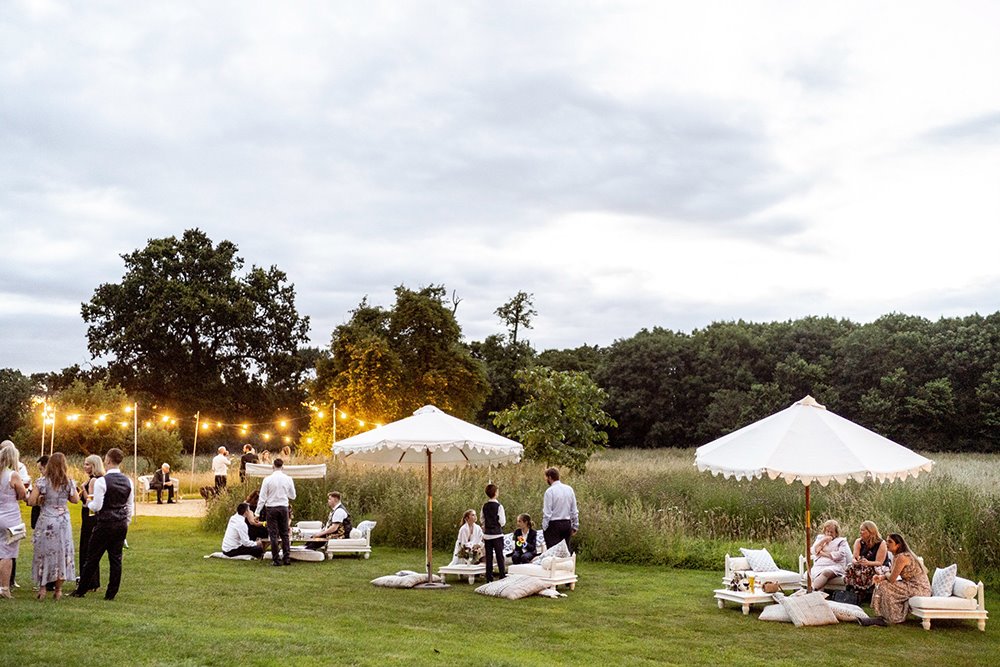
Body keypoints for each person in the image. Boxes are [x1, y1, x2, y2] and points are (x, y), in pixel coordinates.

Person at [71, 448, 134, 600]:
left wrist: (88, 503)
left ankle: (81, 590)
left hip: (105, 523)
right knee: (116, 559)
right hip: (120, 523)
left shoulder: (102, 481)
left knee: (92, 557)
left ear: (107, 460)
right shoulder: (128, 481)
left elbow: (97, 506)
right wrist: (126, 521)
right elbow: (130, 505)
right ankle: (111, 593)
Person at [28, 452, 79, 600]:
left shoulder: (42, 482)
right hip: (63, 521)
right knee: (62, 553)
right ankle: (58, 590)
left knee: (44, 553)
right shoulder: (68, 482)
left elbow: (31, 501)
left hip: (47, 521)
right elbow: (75, 500)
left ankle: (42, 589)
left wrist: (41, 500)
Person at [869, 533, 932, 625]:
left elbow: (892, 579)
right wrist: (881, 577)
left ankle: (894, 617)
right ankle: (885, 614)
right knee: (883, 584)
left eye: (890, 542)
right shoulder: (897, 556)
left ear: (898, 545)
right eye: (886, 541)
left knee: (885, 585)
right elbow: (892, 573)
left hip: (919, 588)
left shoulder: (902, 557)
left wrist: (885, 574)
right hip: (909, 585)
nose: (887, 543)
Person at [0, 440, 28, 599]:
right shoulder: (12, 474)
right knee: (7, 553)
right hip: (10, 516)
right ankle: (4, 587)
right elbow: (22, 494)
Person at [255, 458, 296, 566]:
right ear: (282, 467)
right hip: (283, 507)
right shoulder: (288, 479)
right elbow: (293, 496)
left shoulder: (267, 479)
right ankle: (287, 558)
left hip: (271, 508)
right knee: (285, 534)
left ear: (273, 466)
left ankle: (276, 559)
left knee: (273, 534)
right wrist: (284, 493)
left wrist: (257, 513)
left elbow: (262, 498)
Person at [844, 520, 890, 601]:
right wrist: (856, 561)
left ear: (870, 531)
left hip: (876, 566)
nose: (860, 532)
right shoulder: (858, 541)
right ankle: (852, 591)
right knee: (850, 567)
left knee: (864, 570)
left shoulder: (881, 543)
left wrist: (867, 563)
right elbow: (854, 557)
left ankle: (863, 593)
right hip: (862, 565)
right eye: (860, 530)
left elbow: (880, 562)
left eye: (863, 530)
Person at [78, 454, 105, 593]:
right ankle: (89, 579)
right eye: (84, 464)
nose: (85, 467)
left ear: (94, 466)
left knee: (87, 547)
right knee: (87, 547)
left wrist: (84, 489)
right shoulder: (93, 480)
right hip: (88, 516)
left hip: (90, 517)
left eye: (88, 464)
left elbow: (91, 501)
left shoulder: (94, 480)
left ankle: (89, 580)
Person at [542, 467, 578, 554]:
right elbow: (574, 510)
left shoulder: (549, 491)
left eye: (546, 477)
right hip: (566, 523)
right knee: (565, 550)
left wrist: (544, 527)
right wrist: (575, 525)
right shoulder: (569, 489)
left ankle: (554, 567)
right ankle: (566, 567)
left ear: (550, 477)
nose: (546, 479)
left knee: (552, 552)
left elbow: (547, 512)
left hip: (553, 524)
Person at [809, 519, 852, 591]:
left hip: (835, 565)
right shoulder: (820, 538)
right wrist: (823, 541)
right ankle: (817, 595)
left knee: (826, 572)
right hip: (820, 565)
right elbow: (813, 550)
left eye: (831, 532)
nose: (829, 534)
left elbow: (839, 555)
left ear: (836, 532)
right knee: (817, 574)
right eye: (827, 531)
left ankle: (812, 589)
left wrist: (823, 553)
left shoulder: (841, 541)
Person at [482, 483, 506, 582]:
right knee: (499, 555)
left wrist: (486, 525)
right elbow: (502, 521)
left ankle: (489, 577)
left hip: (487, 535)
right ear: (496, 493)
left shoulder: (484, 506)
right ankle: (502, 575)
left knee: (489, 557)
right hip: (497, 534)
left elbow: (482, 519)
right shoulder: (499, 506)